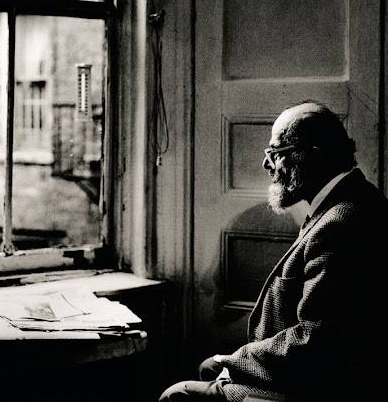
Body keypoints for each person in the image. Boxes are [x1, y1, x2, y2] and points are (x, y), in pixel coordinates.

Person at [159, 101, 388, 402]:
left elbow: (317, 341)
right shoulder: (350, 200)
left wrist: (236, 361)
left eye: (276, 153)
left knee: (176, 395)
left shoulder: (340, 223)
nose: (267, 165)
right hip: (310, 371)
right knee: (208, 367)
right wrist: (236, 361)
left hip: (317, 387)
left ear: (312, 156)